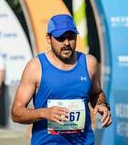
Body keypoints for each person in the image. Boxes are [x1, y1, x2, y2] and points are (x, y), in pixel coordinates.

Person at [11, 14, 112, 144]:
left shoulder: (89, 63)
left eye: (71, 37)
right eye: (60, 38)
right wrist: (44, 113)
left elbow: (96, 93)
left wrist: (102, 105)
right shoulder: (35, 67)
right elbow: (16, 112)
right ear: (49, 38)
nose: (66, 43)